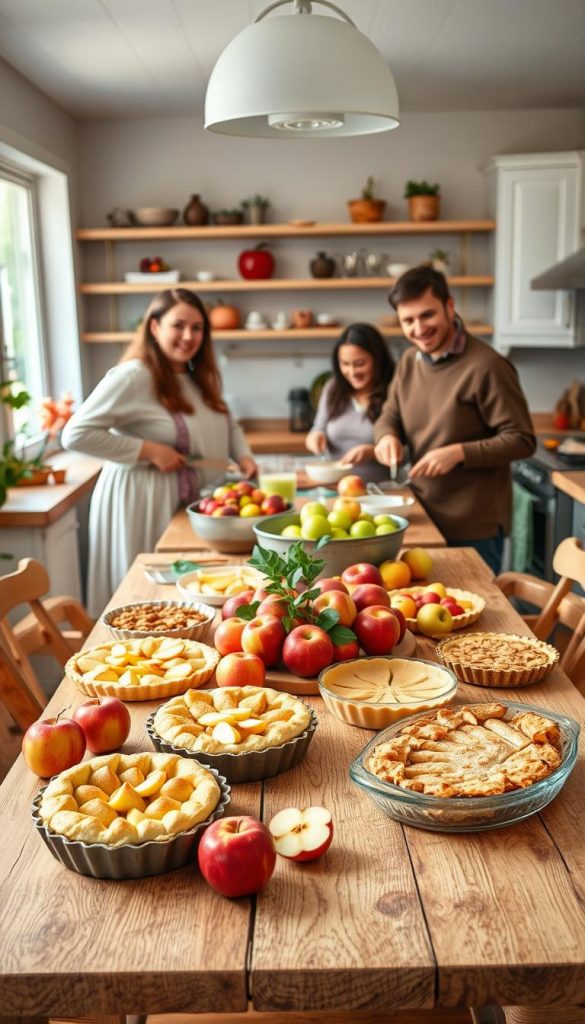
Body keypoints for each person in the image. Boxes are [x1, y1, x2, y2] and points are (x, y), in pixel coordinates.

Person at [63, 288, 257, 614]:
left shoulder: (197, 376)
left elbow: (227, 421)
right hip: (140, 500)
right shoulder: (133, 376)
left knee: (180, 602)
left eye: (197, 328)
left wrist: (244, 455)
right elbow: (75, 434)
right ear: (154, 327)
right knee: (142, 600)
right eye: (178, 325)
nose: (188, 336)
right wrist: (147, 449)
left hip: (183, 505)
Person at [373, 267, 536, 573]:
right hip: (422, 515)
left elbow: (522, 439)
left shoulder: (487, 366)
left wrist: (458, 453)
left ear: (449, 306)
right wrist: (387, 437)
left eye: (427, 315)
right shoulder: (409, 361)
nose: (418, 328)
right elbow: (389, 415)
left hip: (473, 526)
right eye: (408, 320)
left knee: (479, 614)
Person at [305, 322, 395, 483]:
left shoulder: (395, 389)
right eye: (345, 364)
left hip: (381, 489)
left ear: (378, 359)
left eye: (360, 364)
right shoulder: (333, 388)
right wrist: (315, 437)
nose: (352, 372)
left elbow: (409, 449)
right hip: (336, 488)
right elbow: (318, 428)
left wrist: (373, 452)